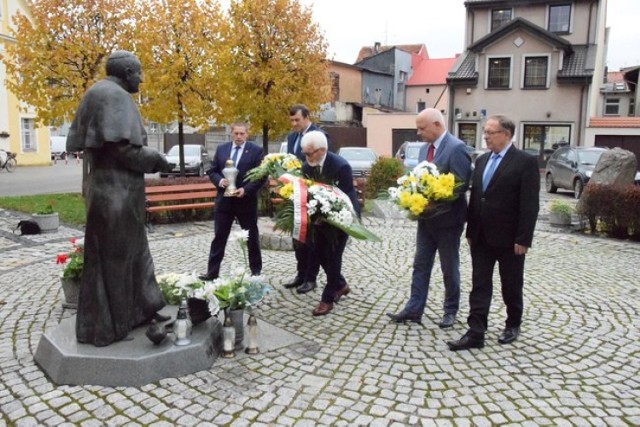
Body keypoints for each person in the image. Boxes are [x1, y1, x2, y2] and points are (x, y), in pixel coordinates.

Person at [66, 51, 172, 347]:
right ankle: (111, 326)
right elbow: (123, 151)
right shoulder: (114, 96)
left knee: (135, 254)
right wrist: (158, 160)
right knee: (116, 260)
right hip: (115, 194)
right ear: (127, 71)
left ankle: (143, 310)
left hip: (116, 193)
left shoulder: (99, 92)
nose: (141, 78)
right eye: (138, 73)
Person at [448, 114, 540, 351]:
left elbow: (529, 204)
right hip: (480, 236)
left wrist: (523, 238)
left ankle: (512, 324)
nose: (485, 136)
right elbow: (476, 198)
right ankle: (476, 332)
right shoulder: (481, 160)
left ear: (506, 134)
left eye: (490, 132)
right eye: (485, 132)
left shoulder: (525, 162)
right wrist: (470, 229)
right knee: (479, 284)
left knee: (511, 284)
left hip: (510, 240)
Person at [386, 108, 472, 328]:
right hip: (425, 220)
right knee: (420, 265)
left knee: (448, 267)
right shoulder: (425, 149)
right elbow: (421, 180)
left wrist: (435, 203)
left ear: (437, 125)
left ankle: (450, 311)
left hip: (448, 222)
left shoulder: (457, 148)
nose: (418, 132)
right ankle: (414, 309)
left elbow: (460, 185)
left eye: (422, 128)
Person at [300, 131, 360, 316]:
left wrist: (329, 215)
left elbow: (345, 197)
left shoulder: (340, 166)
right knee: (318, 254)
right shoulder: (307, 166)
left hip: (342, 217)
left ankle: (327, 299)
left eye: (310, 153)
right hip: (319, 218)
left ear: (322, 150)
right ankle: (340, 285)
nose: (307, 157)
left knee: (333, 257)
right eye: (305, 153)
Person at [199, 122, 265, 281]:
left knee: (251, 238)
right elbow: (213, 170)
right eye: (236, 133)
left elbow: (261, 175)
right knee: (219, 237)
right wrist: (220, 181)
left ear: (247, 134)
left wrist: (246, 189)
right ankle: (212, 272)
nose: (239, 136)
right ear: (231, 133)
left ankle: (256, 271)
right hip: (224, 202)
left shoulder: (256, 151)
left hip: (245, 202)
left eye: (242, 133)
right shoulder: (222, 149)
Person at [283, 105, 323, 293]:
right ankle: (300, 274)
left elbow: (321, 164)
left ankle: (310, 277)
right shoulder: (292, 137)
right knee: (297, 235)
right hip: (295, 192)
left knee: (311, 238)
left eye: (297, 120)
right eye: (291, 120)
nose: (293, 124)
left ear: (307, 117)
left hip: (312, 194)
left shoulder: (318, 135)